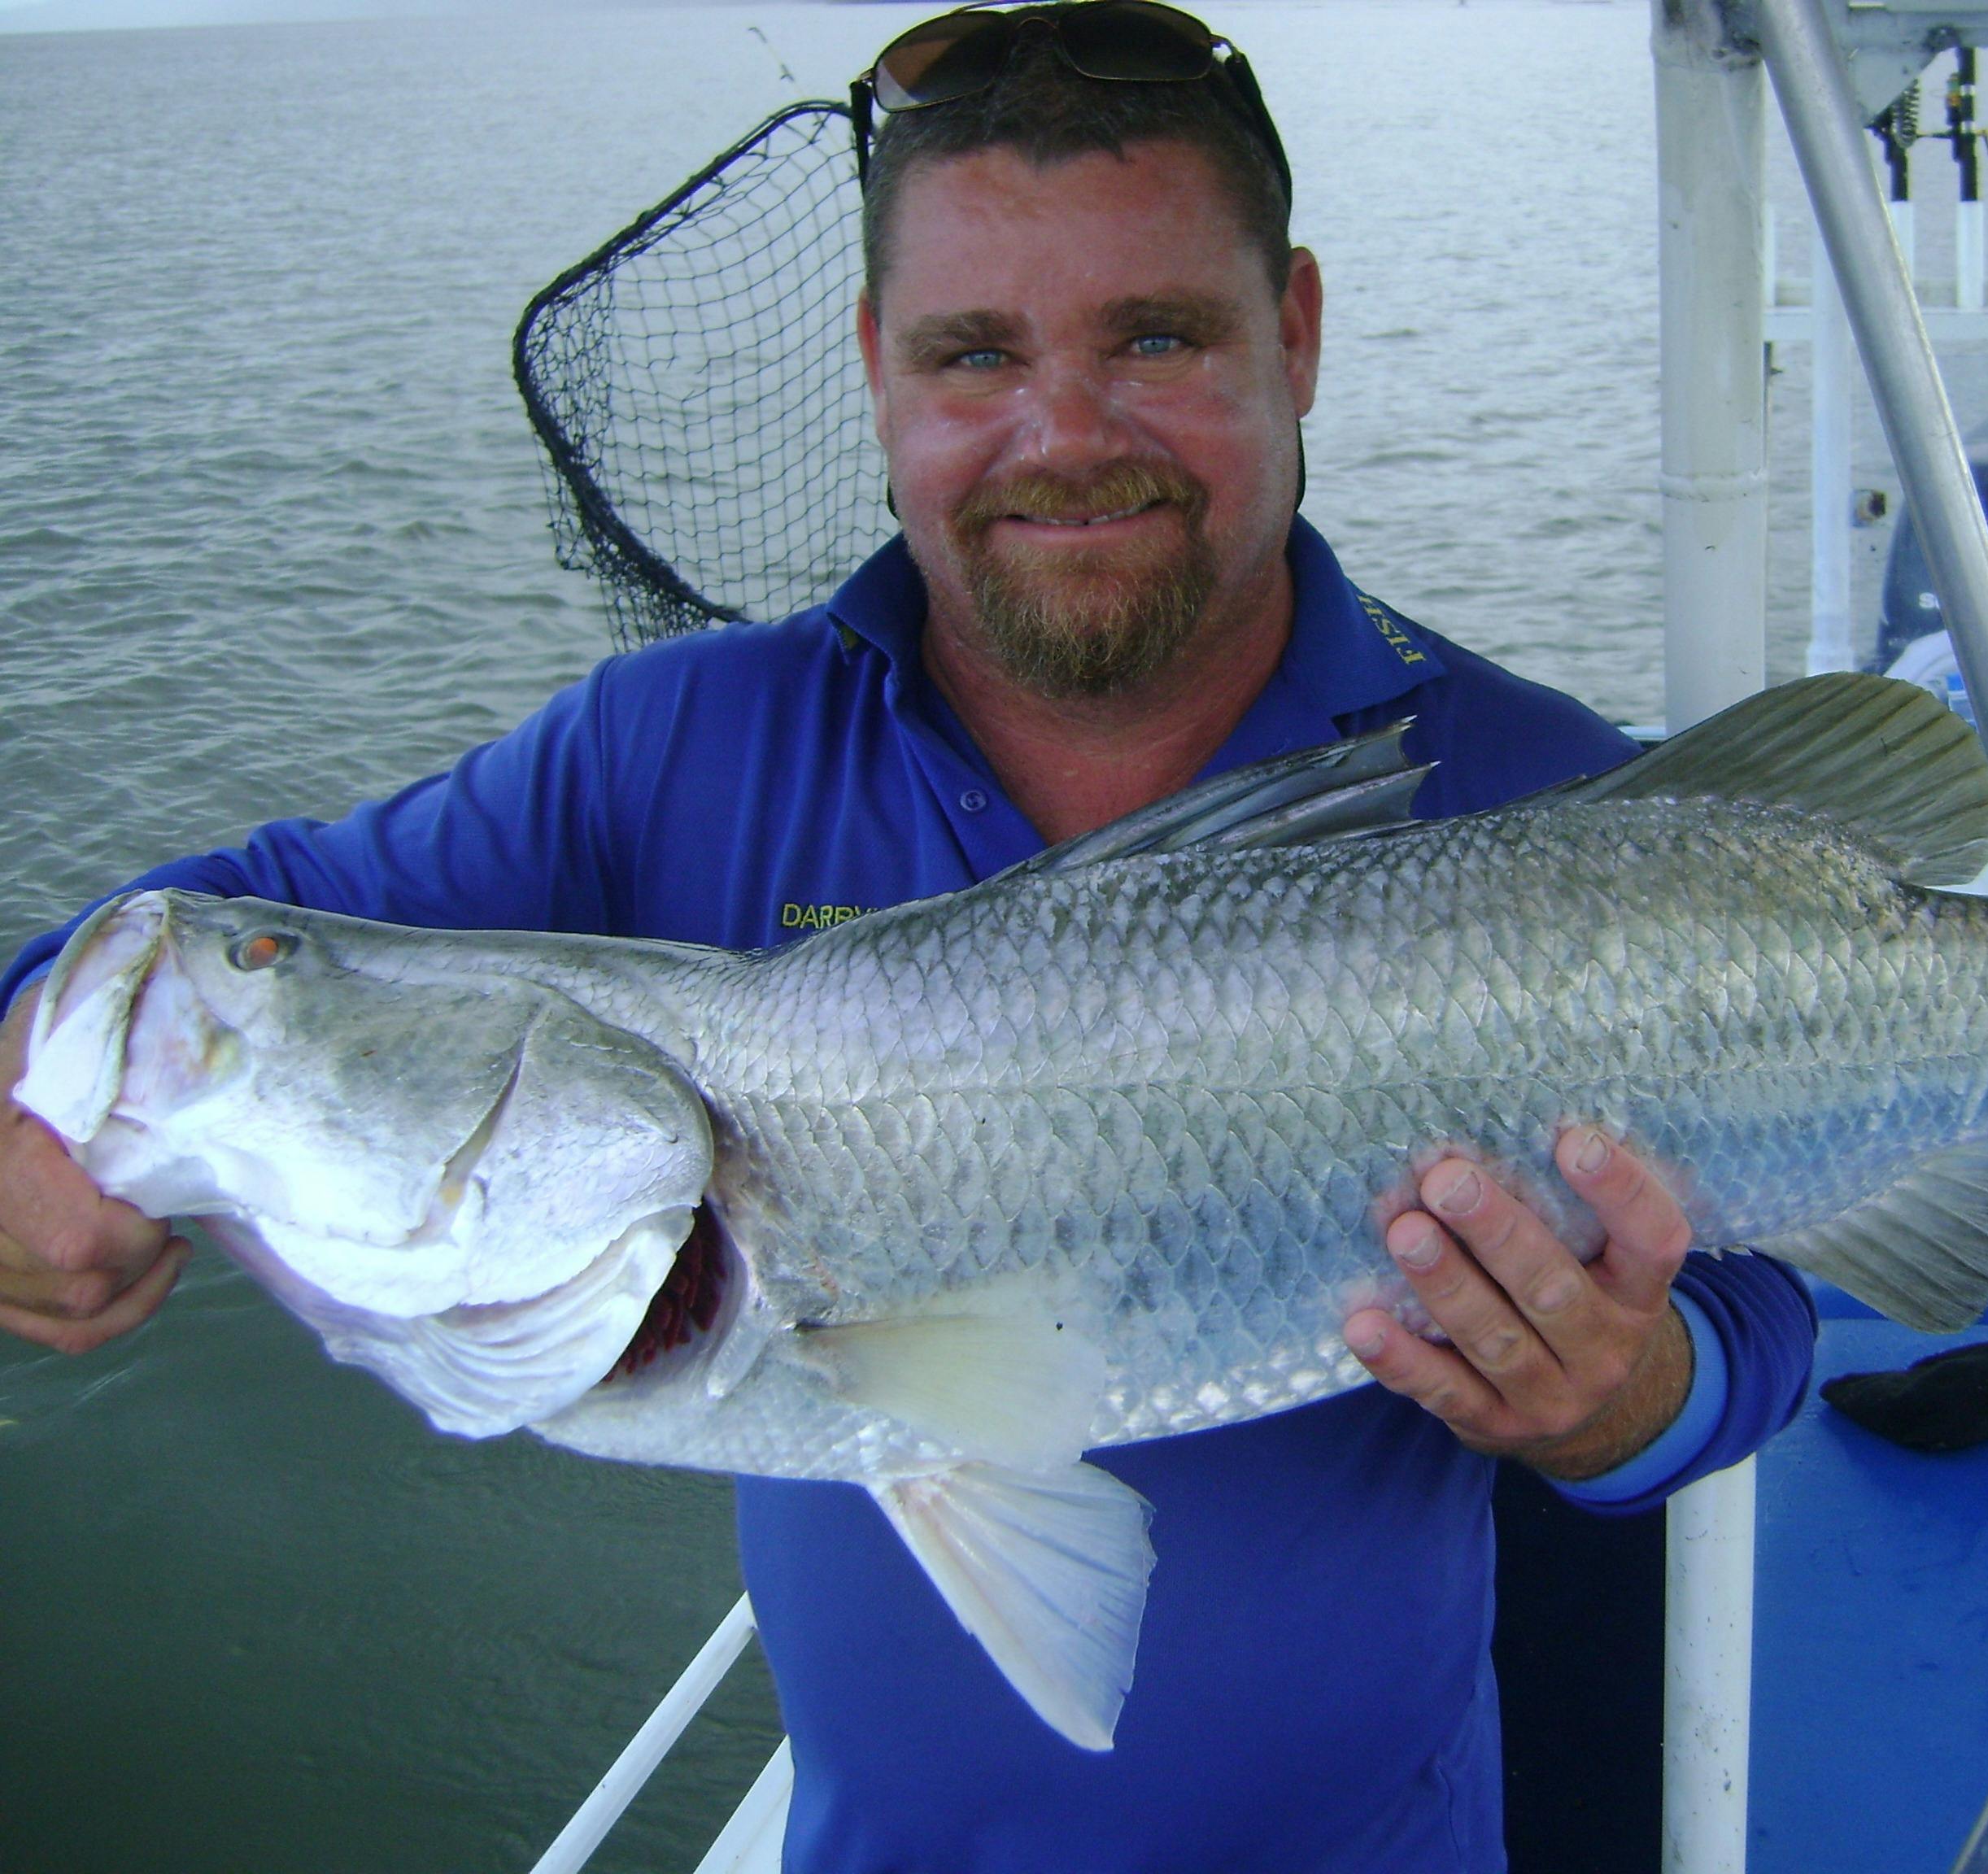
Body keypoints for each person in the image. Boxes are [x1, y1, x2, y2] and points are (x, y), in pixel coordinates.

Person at [0, 6, 1816, 1867]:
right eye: (973, 354)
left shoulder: (1544, 795)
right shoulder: (669, 752)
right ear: (876, 370)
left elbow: (1763, 1311)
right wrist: (25, 1105)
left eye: (1159, 337)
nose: (1066, 435)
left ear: (1300, 332)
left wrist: (1630, 1403)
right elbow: (208, 931)